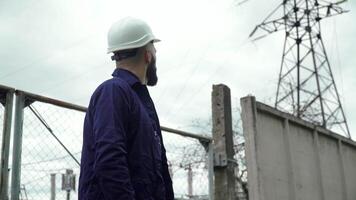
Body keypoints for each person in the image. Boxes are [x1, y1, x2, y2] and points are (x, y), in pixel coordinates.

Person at [78, 17, 174, 200]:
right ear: (148, 55)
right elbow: (110, 162)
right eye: (154, 48)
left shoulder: (140, 103)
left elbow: (157, 171)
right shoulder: (114, 91)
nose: (155, 52)